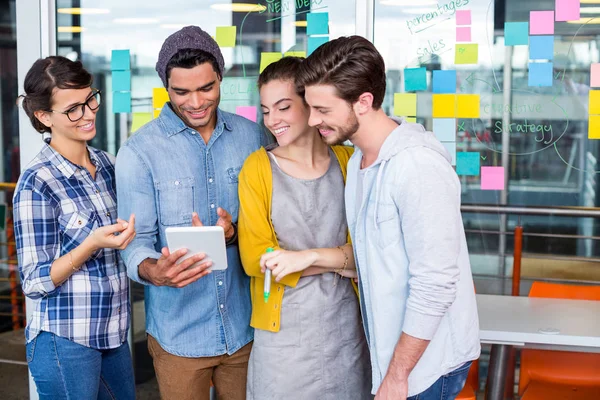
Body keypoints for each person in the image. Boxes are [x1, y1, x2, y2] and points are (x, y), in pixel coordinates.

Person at [297, 36, 481, 400]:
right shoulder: (360, 165)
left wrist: (398, 376)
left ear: (363, 102)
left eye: (323, 109)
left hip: (425, 366)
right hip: (395, 359)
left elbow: (435, 284)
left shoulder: (417, 167)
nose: (312, 120)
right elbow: (377, 261)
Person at [116, 26, 269, 400]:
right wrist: (155, 271)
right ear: (166, 88)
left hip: (246, 328)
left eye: (206, 88)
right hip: (179, 336)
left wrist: (235, 233)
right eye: (181, 91)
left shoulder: (254, 137)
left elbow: (274, 220)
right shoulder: (139, 152)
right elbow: (133, 244)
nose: (196, 102)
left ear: (221, 77)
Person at [237, 56, 372, 399]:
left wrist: (300, 258)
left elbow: (368, 253)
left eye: (283, 107)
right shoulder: (257, 168)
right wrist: (339, 260)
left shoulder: (347, 161)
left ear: (310, 105)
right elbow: (257, 260)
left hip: (345, 331)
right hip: (283, 340)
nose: (273, 121)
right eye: (266, 111)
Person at [13, 56, 136, 399]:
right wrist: (91, 244)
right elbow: (35, 281)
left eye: (90, 99)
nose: (88, 113)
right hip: (65, 342)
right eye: (73, 109)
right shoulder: (37, 182)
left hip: (113, 335)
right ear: (43, 116)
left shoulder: (109, 165)